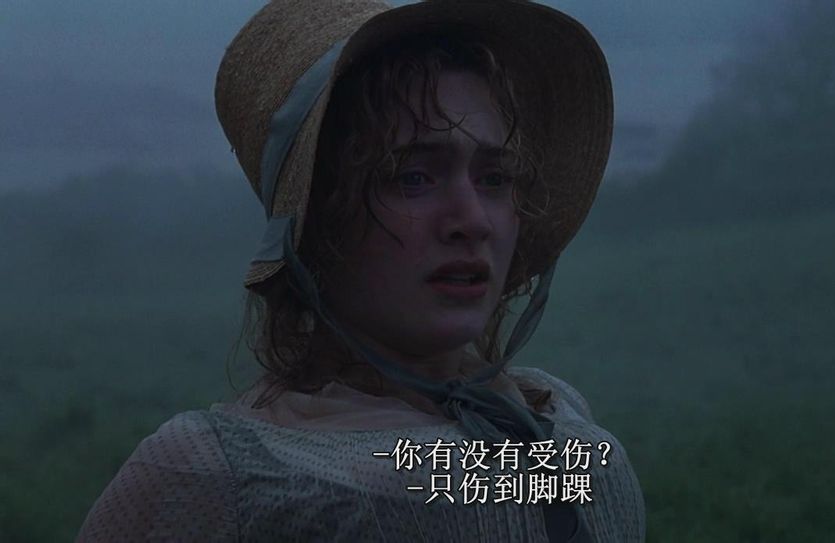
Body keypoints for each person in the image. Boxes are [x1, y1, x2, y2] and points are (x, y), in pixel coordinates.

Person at [78, 0, 645, 541]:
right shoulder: (215, 470)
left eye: (494, 178)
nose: (472, 221)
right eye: (412, 178)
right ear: (320, 218)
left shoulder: (550, 409)